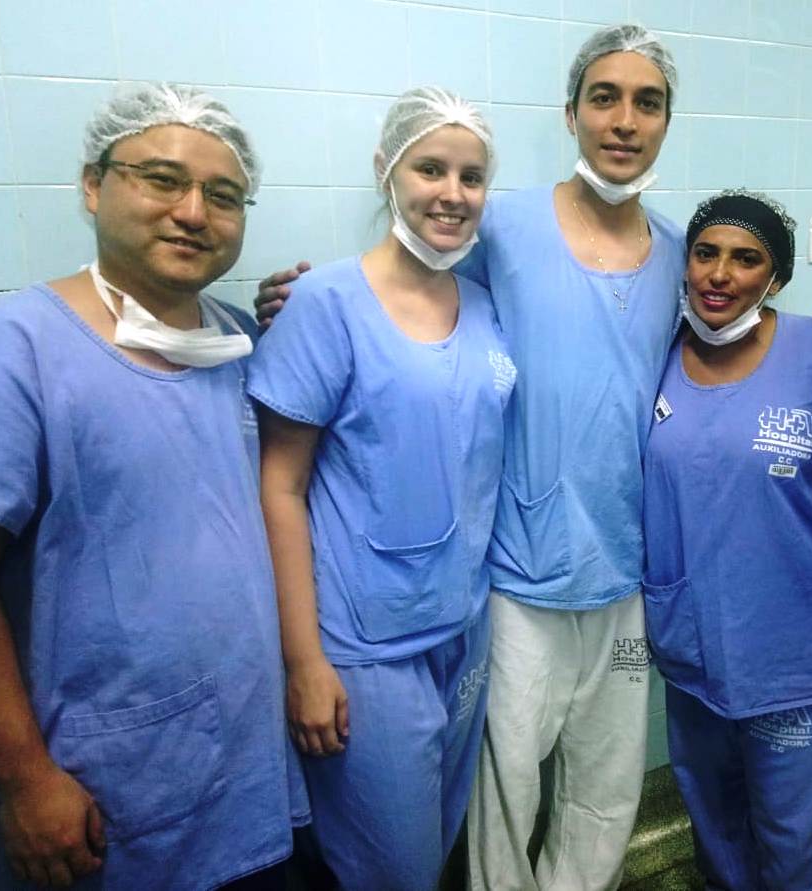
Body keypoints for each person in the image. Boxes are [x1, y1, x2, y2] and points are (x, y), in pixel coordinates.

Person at [255, 25, 686, 890]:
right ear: (570, 112)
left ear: (667, 121)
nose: (624, 120)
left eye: (647, 102)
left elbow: (717, 330)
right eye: (604, 97)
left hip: (622, 570)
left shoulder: (678, 250)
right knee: (500, 791)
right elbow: (404, 286)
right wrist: (291, 304)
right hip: (514, 574)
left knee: (605, 786)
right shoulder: (506, 225)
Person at [0, 83, 308, 890]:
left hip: (240, 774)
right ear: (93, 185)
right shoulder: (9, 353)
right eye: (162, 179)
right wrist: (25, 779)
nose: (193, 212)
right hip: (95, 786)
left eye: (223, 195)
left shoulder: (235, 343)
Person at [244, 87, 512, 891]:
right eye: (430, 169)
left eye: (471, 177)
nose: (452, 193)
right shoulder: (324, 303)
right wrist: (304, 661)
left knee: (436, 843)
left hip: (463, 622)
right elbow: (280, 486)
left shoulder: (485, 305)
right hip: (365, 645)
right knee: (392, 867)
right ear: (386, 171)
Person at [643, 191, 812, 890]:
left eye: (746, 258)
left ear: (776, 278)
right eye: (705, 253)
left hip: (794, 654)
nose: (720, 273)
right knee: (714, 823)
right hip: (689, 642)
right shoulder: (658, 355)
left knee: (793, 839)